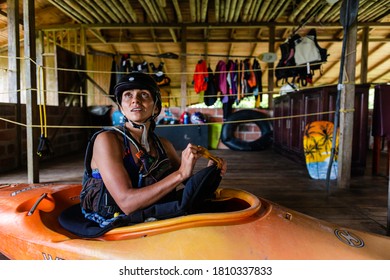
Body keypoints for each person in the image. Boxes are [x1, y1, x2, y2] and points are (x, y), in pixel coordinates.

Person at [80, 71, 227, 227]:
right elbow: (127, 204)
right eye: (128, 95)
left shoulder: (163, 145)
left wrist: (211, 171)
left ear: (156, 108)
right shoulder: (107, 140)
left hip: (148, 214)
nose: (135, 100)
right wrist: (180, 174)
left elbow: (191, 186)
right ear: (122, 108)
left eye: (143, 95)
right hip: (112, 221)